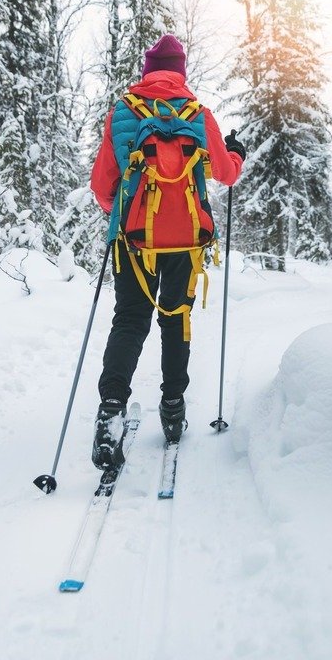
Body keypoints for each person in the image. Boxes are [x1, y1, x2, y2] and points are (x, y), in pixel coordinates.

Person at [89, 34, 245, 468]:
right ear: (181, 72)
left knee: (130, 320)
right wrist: (235, 153)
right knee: (176, 318)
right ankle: (173, 410)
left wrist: (120, 213)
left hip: (135, 239)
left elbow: (103, 183)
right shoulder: (198, 114)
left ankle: (110, 416)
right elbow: (227, 174)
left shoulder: (124, 111)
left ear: (147, 70)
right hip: (186, 241)